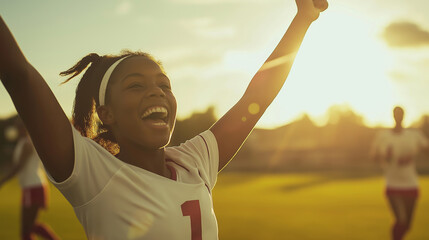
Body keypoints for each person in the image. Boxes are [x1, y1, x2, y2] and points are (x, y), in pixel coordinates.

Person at [0, 0, 328, 239]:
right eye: (136, 85)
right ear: (106, 113)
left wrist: (303, 18)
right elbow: (19, 76)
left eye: (164, 85)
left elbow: (256, 98)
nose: (156, 92)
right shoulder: (93, 173)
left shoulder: (194, 161)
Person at [371, 106, 429, 240]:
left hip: (411, 184)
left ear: (403, 116)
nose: (398, 116)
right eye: (396, 114)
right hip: (392, 185)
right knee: (401, 220)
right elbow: (373, 156)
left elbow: (426, 149)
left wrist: (414, 155)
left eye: (400, 114)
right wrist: (385, 156)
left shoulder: (414, 135)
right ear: (393, 116)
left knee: (407, 225)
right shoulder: (383, 136)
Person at [0, 119, 60, 240]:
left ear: (26, 127)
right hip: (31, 187)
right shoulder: (22, 143)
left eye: (21, 126)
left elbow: (19, 166)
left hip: (33, 187)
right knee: (30, 227)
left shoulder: (28, 143)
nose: (18, 129)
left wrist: (3, 180)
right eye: (17, 126)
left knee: (26, 230)